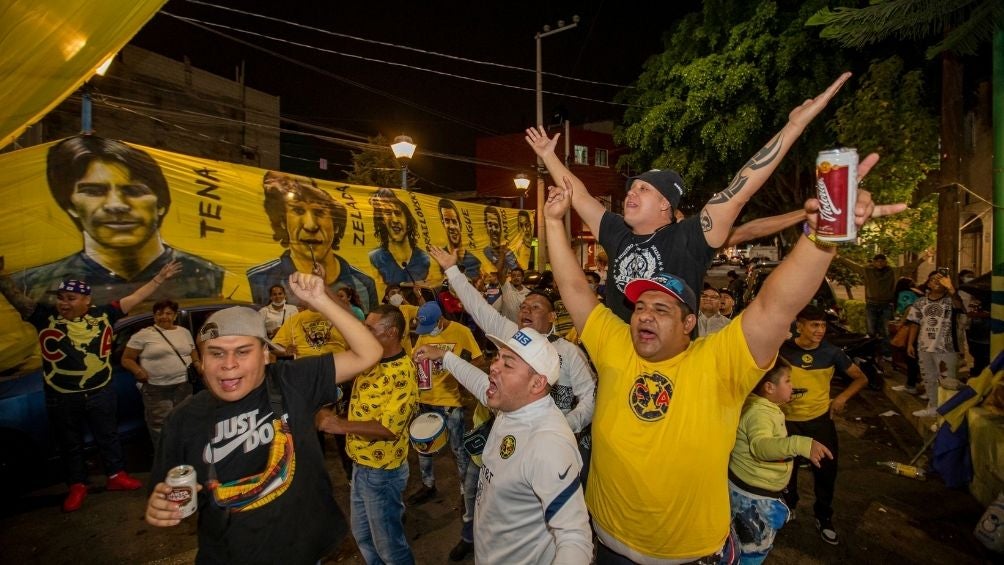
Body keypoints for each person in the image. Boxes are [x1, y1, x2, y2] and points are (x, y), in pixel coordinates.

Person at [542, 147, 902, 562]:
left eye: (661, 309)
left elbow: (776, 305)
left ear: (689, 323)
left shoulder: (717, 362)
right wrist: (553, 221)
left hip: (690, 554)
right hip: (604, 545)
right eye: (640, 306)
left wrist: (822, 236)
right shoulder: (615, 342)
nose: (645, 315)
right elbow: (571, 287)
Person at [527, 74, 854, 322]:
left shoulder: (689, 237)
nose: (631, 192)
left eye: (643, 189)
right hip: (617, 356)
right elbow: (578, 194)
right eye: (631, 188)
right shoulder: (615, 232)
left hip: (674, 363)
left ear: (665, 204)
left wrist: (793, 127)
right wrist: (548, 155)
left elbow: (740, 189)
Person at [144, 272, 382, 564]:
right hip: (230, 555)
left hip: (303, 550)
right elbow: (168, 491)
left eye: (242, 352)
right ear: (201, 361)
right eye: (216, 353)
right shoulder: (181, 420)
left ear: (266, 355)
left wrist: (320, 300)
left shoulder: (291, 380)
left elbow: (368, 352)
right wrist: (161, 505)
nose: (228, 365)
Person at [1, 259, 183, 512]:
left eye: (71, 298)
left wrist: (160, 278)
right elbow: (18, 300)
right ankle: (77, 485)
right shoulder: (45, 317)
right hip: (62, 395)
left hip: (101, 391)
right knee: (70, 442)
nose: (64, 303)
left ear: (87, 300)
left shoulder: (104, 315)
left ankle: (116, 475)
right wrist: (2, 278)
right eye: (61, 298)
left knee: (108, 434)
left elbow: (137, 295)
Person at [413, 327, 593, 563]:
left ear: (537, 383)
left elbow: (575, 537)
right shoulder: (513, 406)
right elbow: (478, 382)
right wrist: (444, 357)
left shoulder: (548, 443)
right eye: (497, 357)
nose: (493, 366)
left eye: (508, 364)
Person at [15, 135, 224, 305]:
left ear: (161, 203)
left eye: (133, 191)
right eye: (94, 191)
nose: (116, 205)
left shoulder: (206, 275)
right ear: (70, 205)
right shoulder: (35, 284)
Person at [316, 305, 418, 565]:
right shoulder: (371, 357)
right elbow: (344, 316)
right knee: (363, 538)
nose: (363, 332)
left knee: (390, 548)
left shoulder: (403, 373)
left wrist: (340, 426)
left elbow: (388, 428)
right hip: (361, 466)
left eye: (370, 328)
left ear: (391, 332)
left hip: (382, 473)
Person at [728, 358, 833, 564]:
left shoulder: (756, 404)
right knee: (752, 554)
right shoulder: (760, 413)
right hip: (754, 500)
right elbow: (761, 446)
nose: (792, 386)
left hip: (746, 490)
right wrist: (800, 444)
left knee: (737, 545)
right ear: (769, 387)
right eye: (788, 381)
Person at [779, 305, 869, 545]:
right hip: (787, 422)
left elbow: (861, 377)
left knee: (826, 472)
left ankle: (824, 517)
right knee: (787, 471)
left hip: (820, 422)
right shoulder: (782, 350)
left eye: (823, 325)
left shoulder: (832, 352)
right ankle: (788, 508)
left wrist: (841, 398)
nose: (820, 330)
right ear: (799, 325)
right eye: (814, 325)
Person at [247, 170, 377, 312]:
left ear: (336, 226)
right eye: (298, 211)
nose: (311, 225)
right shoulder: (259, 279)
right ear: (283, 222)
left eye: (319, 212)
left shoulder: (364, 283)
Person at [408, 301, 482, 505]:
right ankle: (428, 484)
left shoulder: (461, 331)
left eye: (431, 326)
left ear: (440, 319)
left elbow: (477, 360)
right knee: (423, 446)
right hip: (424, 397)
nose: (427, 332)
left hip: (450, 400)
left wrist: (458, 370)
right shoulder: (424, 332)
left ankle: (465, 489)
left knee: (458, 447)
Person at [121, 299, 199, 447]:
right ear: (154, 316)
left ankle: (183, 454)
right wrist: (138, 371)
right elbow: (127, 359)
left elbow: (193, 350)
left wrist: (198, 364)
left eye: (169, 313)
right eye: (159, 314)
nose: (164, 317)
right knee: (160, 425)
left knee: (184, 419)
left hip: (184, 385)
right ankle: (164, 458)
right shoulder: (143, 335)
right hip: (157, 388)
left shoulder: (184, 332)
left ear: (175, 316)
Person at [833, 251, 928, 357]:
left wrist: (923, 258)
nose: (879, 263)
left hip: (886, 305)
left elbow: (908, 267)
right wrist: (838, 257)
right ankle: (871, 352)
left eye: (882, 261)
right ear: (873, 262)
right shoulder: (867, 271)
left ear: (885, 262)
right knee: (871, 330)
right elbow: (852, 265)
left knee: (886, 331)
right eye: (877, 261)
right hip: (871, 305)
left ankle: (886, 354)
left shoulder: (893, 271)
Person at [905, 270, 964, 418]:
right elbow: (914, 324)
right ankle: (932, 407)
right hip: (924, 346)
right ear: (928, 283)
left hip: (947, 348)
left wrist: (951, 288)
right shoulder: (920, 302)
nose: (936, 283)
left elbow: (960, 307)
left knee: (948, 381)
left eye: (940, 280)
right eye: (933, 280)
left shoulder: (951, 301)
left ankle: (947, 413)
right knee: (929, 378)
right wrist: (910, 344)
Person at [368, 188, 430, 285]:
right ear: (382, 222)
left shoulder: (424, 259)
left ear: (408, 221)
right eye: (388, 213)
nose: (394, 220)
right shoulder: (375, 259)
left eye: (398, 213)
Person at [437, 198, 481, 280]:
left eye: (454, 221)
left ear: (460, 225)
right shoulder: (440, 259)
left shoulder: (475, 261)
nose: (452, 226)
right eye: (447, 221)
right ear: (443, 223)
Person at [481, 206, 518, 271]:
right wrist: (502, 253)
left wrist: (508, 253)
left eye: (496, 225)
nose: (493, 229)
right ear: (486, 227)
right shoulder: (487, 250)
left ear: (500, 228)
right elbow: (498, 268)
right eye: (490, 225)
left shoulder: (508, 248)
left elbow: (516, 268)